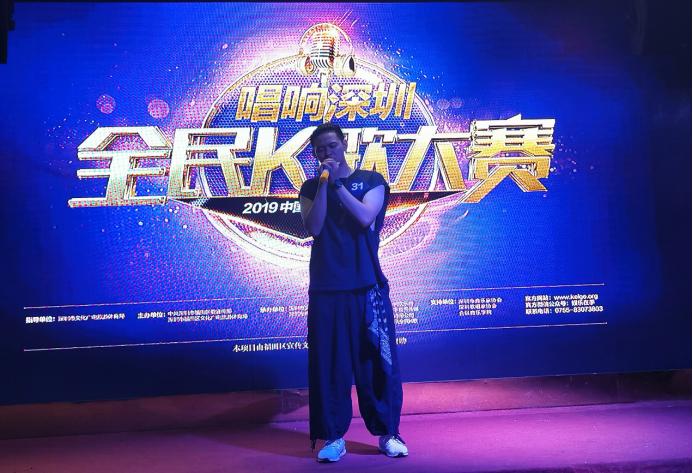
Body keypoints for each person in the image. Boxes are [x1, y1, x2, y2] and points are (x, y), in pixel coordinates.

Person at [299, 122, 408, 463]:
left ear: (344, 144)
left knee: (377, 363)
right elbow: (314, 227)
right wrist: (324, 185)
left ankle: (388, 433)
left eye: (331, 146)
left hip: (367, 287)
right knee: (329, 366)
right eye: (320, 149)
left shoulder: (371, 181)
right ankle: (333, 436)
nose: (326, 153)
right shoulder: (311, 187)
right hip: (327, 290)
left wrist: (338, 185)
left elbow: (364, 217)